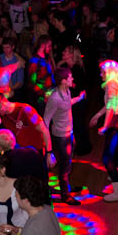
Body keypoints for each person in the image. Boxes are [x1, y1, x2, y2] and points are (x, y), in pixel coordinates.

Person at [43, 66, 86, 205]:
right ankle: (65, 195)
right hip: (61, 138)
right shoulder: (55, 98)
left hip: (69, 134)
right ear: (63, 81)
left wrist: (79, 98)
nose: (72, 78)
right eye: (70, 77)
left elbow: (67, 104)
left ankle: (66, 188)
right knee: (65, 167)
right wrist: (48, 149)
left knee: (67, 165)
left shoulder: (67, 91)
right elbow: (45, 121)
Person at [89, 59, 118, 202]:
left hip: (116, 123)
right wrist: (98, 115)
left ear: (109, 72)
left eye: (102, 72)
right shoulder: (116, 82)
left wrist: (105, 126)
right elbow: (109, 105)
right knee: (113, 150)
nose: (100, 75)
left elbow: (111, 107)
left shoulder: (111, 84)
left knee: (106, 158)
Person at [0, 92, 52, 163]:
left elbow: (44, 130)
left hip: (37, 153)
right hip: (24, 154)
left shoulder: (25, 109)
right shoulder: (5, 118)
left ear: (2, 104)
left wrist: (49, 153)